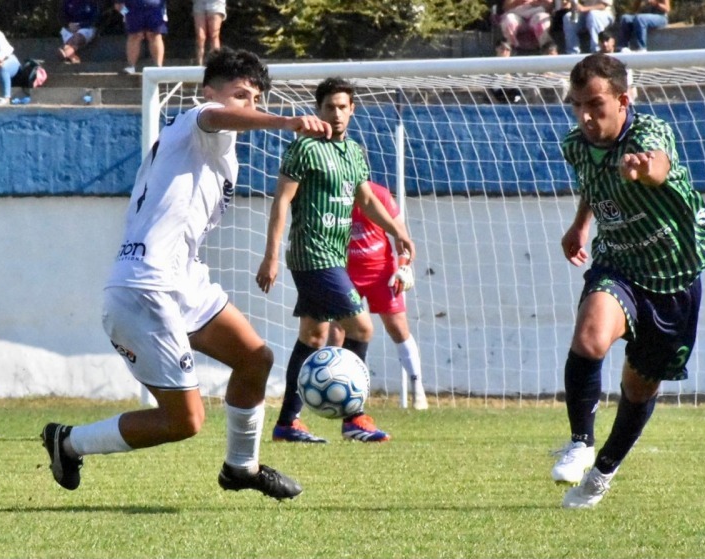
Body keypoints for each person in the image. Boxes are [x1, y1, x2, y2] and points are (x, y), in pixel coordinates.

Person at [40, 48, 332, 500]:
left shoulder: (220, 153)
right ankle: (69, 442)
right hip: (144, 286)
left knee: (256, 358)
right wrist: (286, 122)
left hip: (184, 279)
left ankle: (242, 467)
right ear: (208, 92)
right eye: (239, 95)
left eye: (254, 98)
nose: (246, 105)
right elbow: (216, 116)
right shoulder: (195, 120)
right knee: (185, 422)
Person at [552, 53, 705, 509]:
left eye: (596, 105)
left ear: (623, 100)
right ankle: (580, 442)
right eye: (577, 106)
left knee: (639, 387)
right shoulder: (575, 145)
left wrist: (645, 170)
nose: (586, 116)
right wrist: (580, 224)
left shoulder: (649, 133)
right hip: (620, 266)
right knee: (590, 336)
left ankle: (603, 471)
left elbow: (660, 164)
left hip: (674, 276)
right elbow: (593, 179)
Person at [256, 77, 416, 444]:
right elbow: (281, 201)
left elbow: (367, 200)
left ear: (352, 109)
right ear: (319, 110)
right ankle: (353, 417)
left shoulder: (354, 152)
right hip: (312, 255)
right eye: (330, 107)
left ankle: (286, 424)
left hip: (335, 256)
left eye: (343, 107)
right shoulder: (305, 148)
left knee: (313, 337)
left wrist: (398, 230)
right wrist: (271, 256)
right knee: (362, 328)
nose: (338, 113)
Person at [327, 180, 428, 411]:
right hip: (345, 271)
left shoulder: (379, 195)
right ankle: (334, 391)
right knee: (337, 331)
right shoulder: (332, 194)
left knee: (398, 328)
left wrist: (403, 267)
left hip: (380, 271)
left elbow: (400, 235)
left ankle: (417, 388)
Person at [114, 0, 166, 75]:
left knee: (154, 35)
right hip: (133, 9)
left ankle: (158, 66)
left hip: (155, 9)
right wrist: (127, 13)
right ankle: (131, 66)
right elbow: (118, 5)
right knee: (134, 36)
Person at [58, 0, 100, 64]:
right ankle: (72, 57)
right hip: (70, 27)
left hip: (87, 28)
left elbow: (95, 19)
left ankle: (66, 52)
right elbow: (62, 17)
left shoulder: (92, 2)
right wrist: (68, 24)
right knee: (65, 31)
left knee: (79, 36)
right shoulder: (67, 2)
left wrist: (80, 25)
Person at [193, 0, 225, 66]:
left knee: (214, 35)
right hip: (199, 3)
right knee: (200, 36)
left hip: (215, 3)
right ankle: (198, 65)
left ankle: (216, 64)